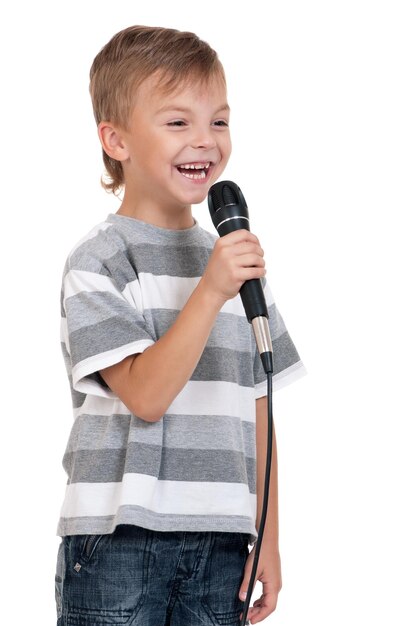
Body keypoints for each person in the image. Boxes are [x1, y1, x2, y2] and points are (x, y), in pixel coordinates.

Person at [54, 25, 307, 626]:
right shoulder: (100, 260)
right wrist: (211, 289)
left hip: (222, 542)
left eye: (218, 121)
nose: (205, 141)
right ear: (116, 140)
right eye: (178, 123)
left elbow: (258, 406)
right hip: (120, 541)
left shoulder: (233, 261)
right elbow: (145, 394)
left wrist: (266, 535)